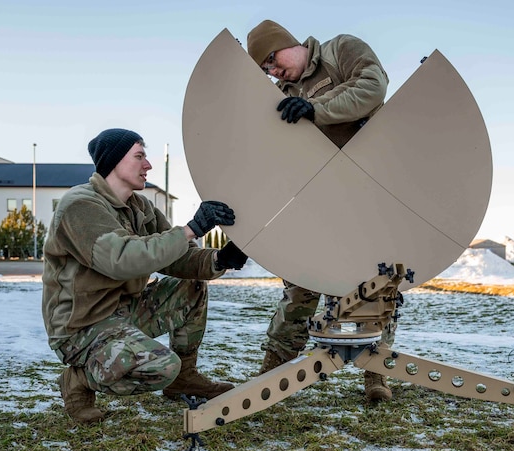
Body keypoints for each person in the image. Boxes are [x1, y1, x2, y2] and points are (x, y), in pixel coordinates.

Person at [42, 128, 249, 424]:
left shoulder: (140, 208)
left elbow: (176, 255)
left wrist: (219, 259)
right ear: (114, 162)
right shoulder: (80, 205)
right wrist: (191, 229)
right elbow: (121, 259)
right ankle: (79, 379)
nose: (147, 165)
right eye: (139, 156)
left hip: (124, 312)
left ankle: (185, 378)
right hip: (81, 326)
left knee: (191, 288)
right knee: (163, 368)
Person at [246, 20, 394, 401]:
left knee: (374, 283)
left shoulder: (340, 50)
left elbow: (372, 87)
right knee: (300, 283)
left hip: (367, 187)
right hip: (316, 197)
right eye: (266, 69)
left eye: (272, 59)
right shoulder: (281, 95)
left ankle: (376, 374)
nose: (273, 71)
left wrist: (314, 108)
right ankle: (274, 368)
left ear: (288, 44)